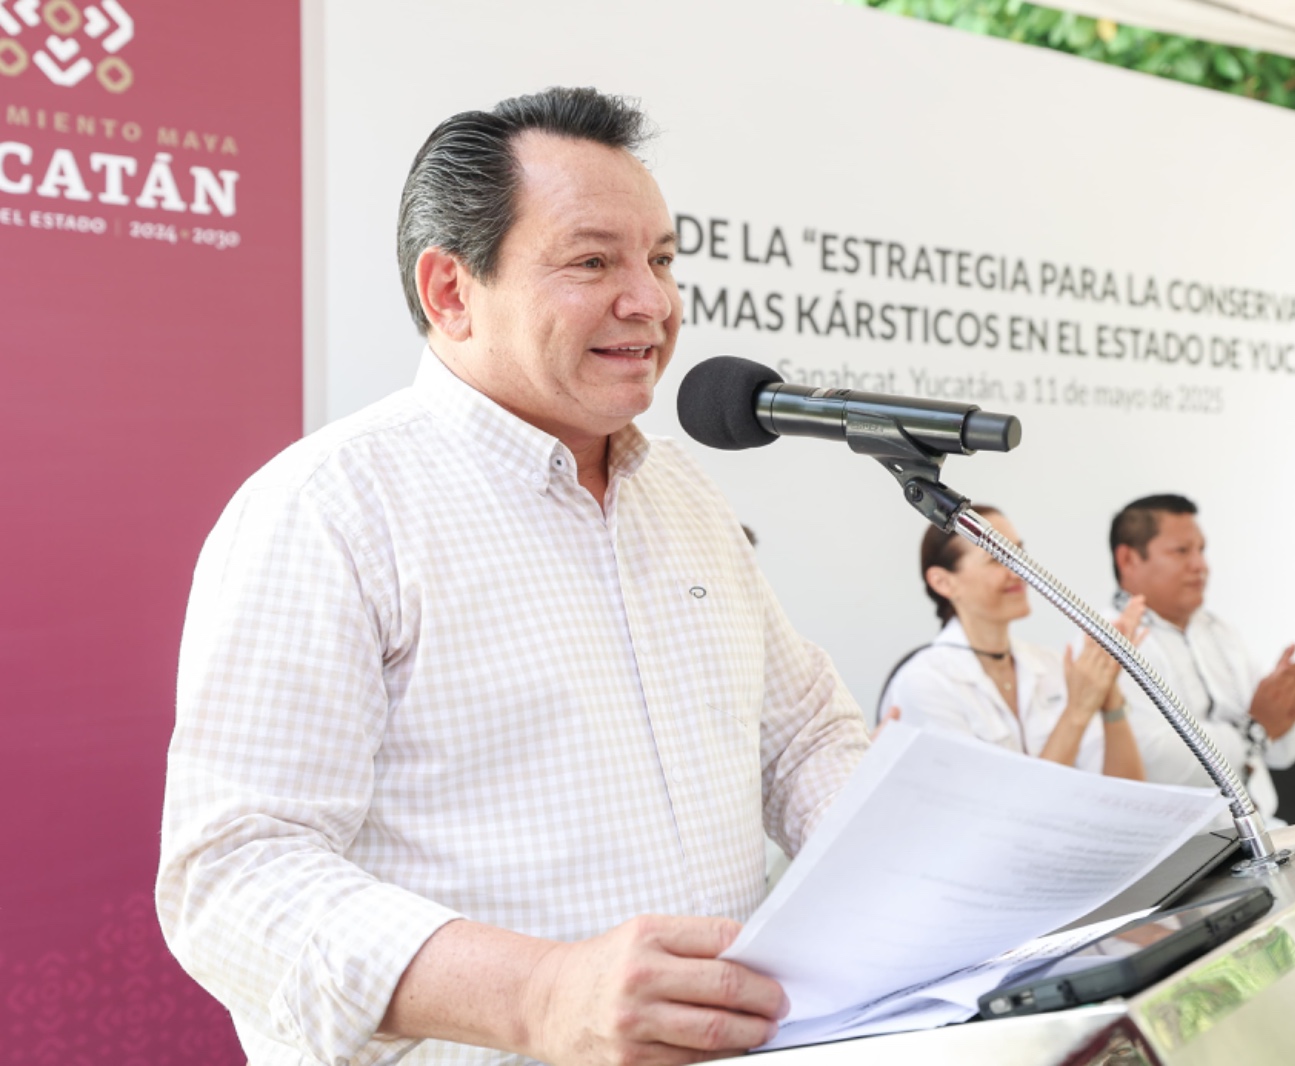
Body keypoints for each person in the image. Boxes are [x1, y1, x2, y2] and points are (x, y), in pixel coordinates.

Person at [155, 89, 870, 1066]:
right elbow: (233, 877)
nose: (653, 302)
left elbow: (800, 738)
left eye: (662, 260)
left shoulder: (683, 492)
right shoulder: (331, 507)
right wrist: (538, 995)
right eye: (593, 262)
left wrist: (913, 865)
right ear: (451, 290)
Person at [1096, 494, 1295, 820]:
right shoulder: (1105, 642)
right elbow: (1154, 761)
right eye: (1181, 551)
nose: (1200, 565)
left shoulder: (1220, 632)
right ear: (1128, 559)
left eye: (1201, 550)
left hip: (1265, 827)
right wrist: (1255, 728)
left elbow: (1282, 755)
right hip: (1190, 845)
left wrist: (1288, 701)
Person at [879, 506, 1146, 777]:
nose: (1020, 572)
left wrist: (1110, 699)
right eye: (996, 558)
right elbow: (993, 804)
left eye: (1018, 553)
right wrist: (1077, 712)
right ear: (943, 582)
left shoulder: (1052, 666)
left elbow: (1128, 792)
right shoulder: (924, 683)